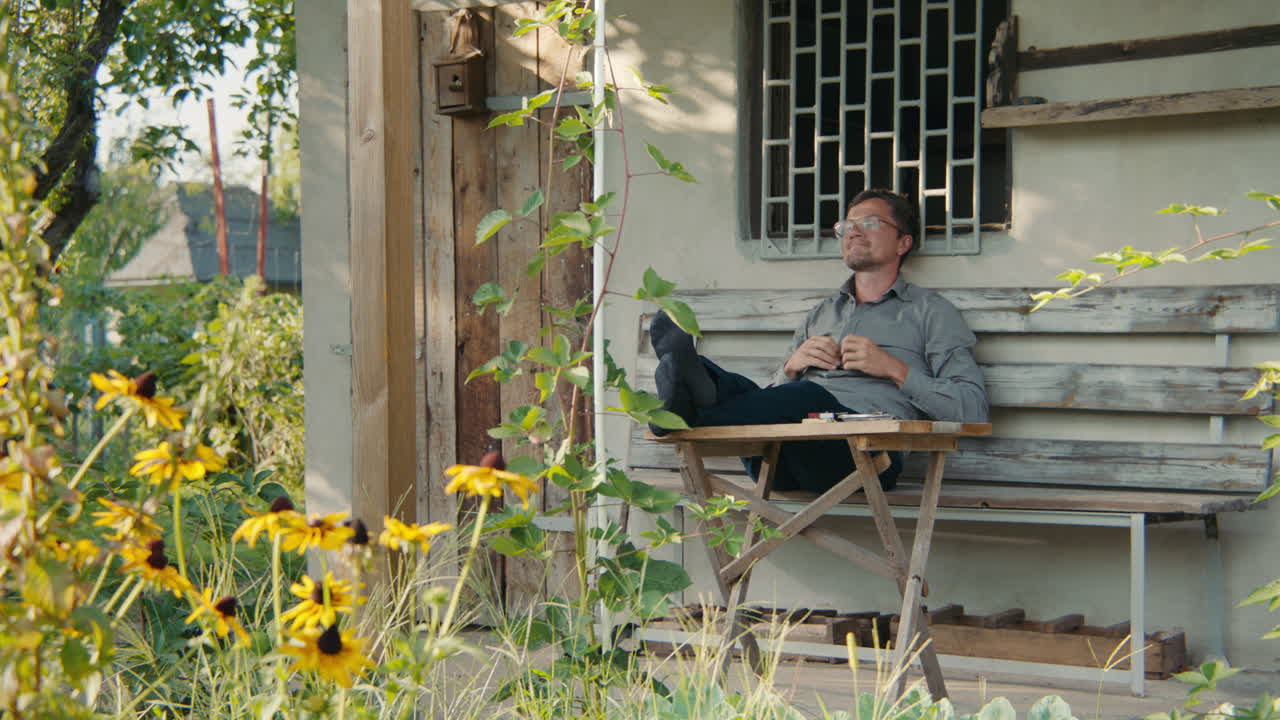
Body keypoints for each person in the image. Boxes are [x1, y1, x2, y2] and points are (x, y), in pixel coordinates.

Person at [649, 188, 989, 492]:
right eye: (847, 225)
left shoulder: (930, 313)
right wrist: (791, 367)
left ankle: (685, 411)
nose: (853, 231)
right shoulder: (821, 314)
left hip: (865, 458)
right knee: (738, 386)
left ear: (904, 242)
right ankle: (695, 382)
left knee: (805, 397)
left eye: (869, 223)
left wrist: (893, 369)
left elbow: (973, 409)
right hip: (777, 459)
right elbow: (769, 400)